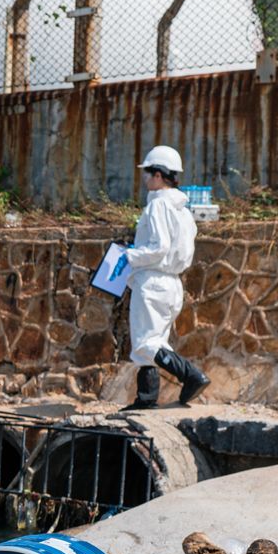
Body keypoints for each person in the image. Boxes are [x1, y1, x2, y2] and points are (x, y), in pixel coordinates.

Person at [122, 145, 211, 411]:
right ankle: (146, 399)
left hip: (153, 282)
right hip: (172, 283)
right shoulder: (182, 210)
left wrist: (130, 255)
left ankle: (191, 375)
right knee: (154, 342)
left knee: (146, 344)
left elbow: (158, 247)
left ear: (159, 175)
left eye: (148, 173)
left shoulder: (158, 205)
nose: (145, 179)